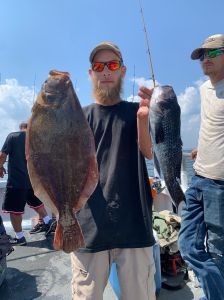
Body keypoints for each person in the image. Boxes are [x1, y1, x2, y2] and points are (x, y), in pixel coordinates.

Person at [70, 41, 156, 300]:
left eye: (112, 65)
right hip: (87, 230)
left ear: (122, 71)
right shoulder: (77, 117)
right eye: (98, 66)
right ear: (91, 73)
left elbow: (150, 153)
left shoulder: (137, 111)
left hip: (134, 227)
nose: (105, 71)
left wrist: (143, 119)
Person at [178, 34, 224, 300]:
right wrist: (201, 148)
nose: (205, 59)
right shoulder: (205, 88)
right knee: (188, 246)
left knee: (218, 253)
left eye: (213, 53)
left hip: (219, 184)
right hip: (198, 177)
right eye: (202, 55)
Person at [0, 122, 56, 245]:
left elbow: (2, 156)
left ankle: (20, 238)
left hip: (16, 182)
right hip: (33, 181)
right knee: (37, 203)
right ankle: (48, 223)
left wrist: (0, 167)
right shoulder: (37, 140)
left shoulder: (13, 136)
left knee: (14, 211)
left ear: (20, 128)